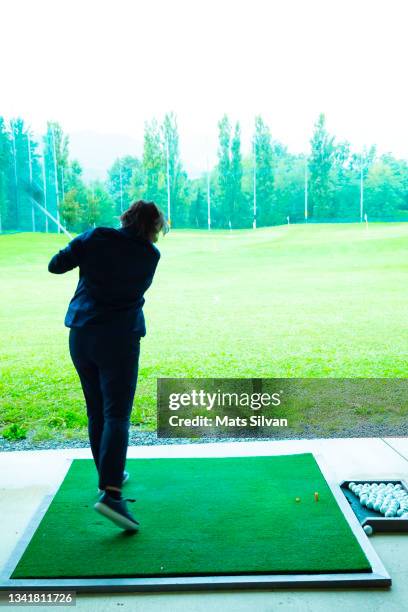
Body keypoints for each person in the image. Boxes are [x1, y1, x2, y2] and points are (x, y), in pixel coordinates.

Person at [48, 200, 167, 531]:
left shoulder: (96, 237)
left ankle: (109, 477)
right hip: (120, 340)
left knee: (97, 411)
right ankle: (111, 493)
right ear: (154, 227)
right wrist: (87, 245)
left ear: (125, 217)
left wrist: (78, 246)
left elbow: (55, 266)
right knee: (116, 415)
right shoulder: (150, 255)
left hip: (83, 336)